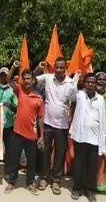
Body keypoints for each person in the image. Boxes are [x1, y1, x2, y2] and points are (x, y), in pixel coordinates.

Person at [34, 58, 78, 195]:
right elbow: (31, 79)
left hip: (62, 125)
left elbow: (75, 102)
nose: (58, 70)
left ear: (65, 68)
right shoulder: (47, 78)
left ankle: (56, 181)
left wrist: (73, 123)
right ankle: (44, 178)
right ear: (54, 67)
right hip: (47, 123)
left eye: (61, 67)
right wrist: (38, 68)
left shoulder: (71, 83)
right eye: (57, 67)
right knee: (45, 152)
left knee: (59, 154)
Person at [5, 65, 44, 195]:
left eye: (29, 78)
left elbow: (40, 118)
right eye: (25, 79)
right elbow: (9, 78)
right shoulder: (19, 91)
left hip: (32, 136)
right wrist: (14, 67)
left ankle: (30, 183)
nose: (27, 81)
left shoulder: (38, 98)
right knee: (14, 159)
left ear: (33, 80)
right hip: (17, 133)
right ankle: (12, 182)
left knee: (31, 161)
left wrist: (42, 136)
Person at [70, 73, 106, 202]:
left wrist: (102, 142)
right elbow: (69, 93)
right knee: (78, 164)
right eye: (88, 82)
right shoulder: (79, 95)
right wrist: (75, 78)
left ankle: (90, 190)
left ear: (96, 84)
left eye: (92, 82)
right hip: (80, 136)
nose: (90, 85)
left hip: (94, 138)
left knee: (92, 165)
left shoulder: (100, 99)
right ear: (84, 83)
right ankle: (76, 188)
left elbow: (102, 120)